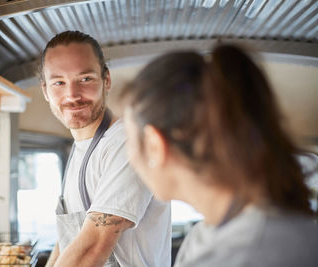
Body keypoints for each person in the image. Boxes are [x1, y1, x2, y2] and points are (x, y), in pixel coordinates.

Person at [120, 44, 318, 266]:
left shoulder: (246, 254)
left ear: (155, 144)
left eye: (129, 139)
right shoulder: (209, 234)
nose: (130, 155)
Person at [39, 31, 171, 267]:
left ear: (106, 80)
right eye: (58, 82)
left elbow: (93, 246)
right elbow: (70, 241)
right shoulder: (79, 149)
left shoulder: (127, 142)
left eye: (85, 79)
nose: (72, 95)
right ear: (45, 91)